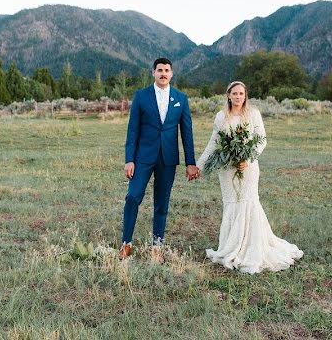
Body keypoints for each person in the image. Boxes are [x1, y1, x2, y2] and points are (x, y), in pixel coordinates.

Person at [197, 80, 303, 273]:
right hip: (227, 168)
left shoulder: (254, 115)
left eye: (241, 94)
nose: (238, 97)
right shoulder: (221, 117)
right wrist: (199, 166)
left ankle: (251, 248)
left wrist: (248, 157)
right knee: (232, 203)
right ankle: (231, 246)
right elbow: (213, 143)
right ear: (228, 95)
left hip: (248, 167)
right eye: (235, 93)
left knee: (248, 202)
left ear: (245, 96)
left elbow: (261, 140)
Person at [120, 57, 199, 261]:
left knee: (161, 202)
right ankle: (126, 244)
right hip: (142, 158)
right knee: (133, 196)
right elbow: (132, 130)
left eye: (166, 70)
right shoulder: (141, 96)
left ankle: (157, 247)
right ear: (153, 73)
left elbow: (186, 132)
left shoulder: (181, 98)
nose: (163, 73)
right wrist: (130, 159)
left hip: (168, 158)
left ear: (171, 74)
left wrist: (191, 162)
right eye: (159, 70)